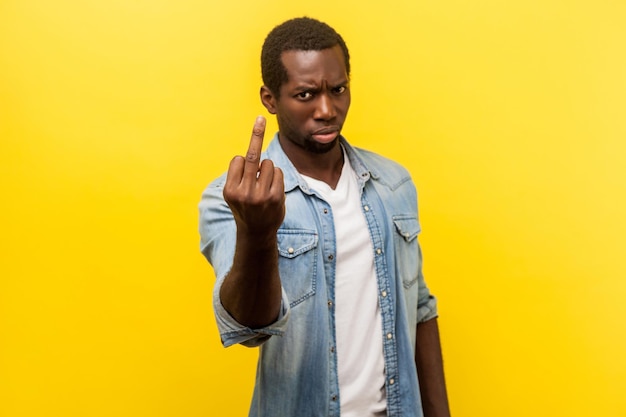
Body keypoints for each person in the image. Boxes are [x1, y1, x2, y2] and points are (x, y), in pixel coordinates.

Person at [199, 17, 450, 417]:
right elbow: (249, 328)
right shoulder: (233, 198)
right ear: (270, 99)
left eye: (338, 90)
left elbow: (420, 310)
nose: (327, 110)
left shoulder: (393, 183)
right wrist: (258, 233)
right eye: (305, 94)